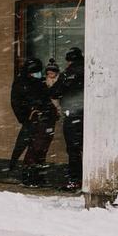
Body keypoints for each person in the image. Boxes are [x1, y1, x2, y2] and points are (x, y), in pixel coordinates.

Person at [10, 57, 58, 187]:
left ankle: (36, 176)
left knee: (40, 150)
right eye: (35, 72)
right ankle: (31, 176)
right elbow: (17, 103)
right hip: (37, 121)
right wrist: (28, 116)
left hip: (43, 120)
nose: (38, 74)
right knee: (35, 149)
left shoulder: (35, 82)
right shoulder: (25, 83)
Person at [50, 47, 84, 191]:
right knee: (87, 148)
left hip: (73, 115)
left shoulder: (68, 73)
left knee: (74, 149)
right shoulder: (89, 70)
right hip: (90, 115)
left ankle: (75, 180)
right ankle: (89, 177)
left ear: (68, 60)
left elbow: (54, 91)